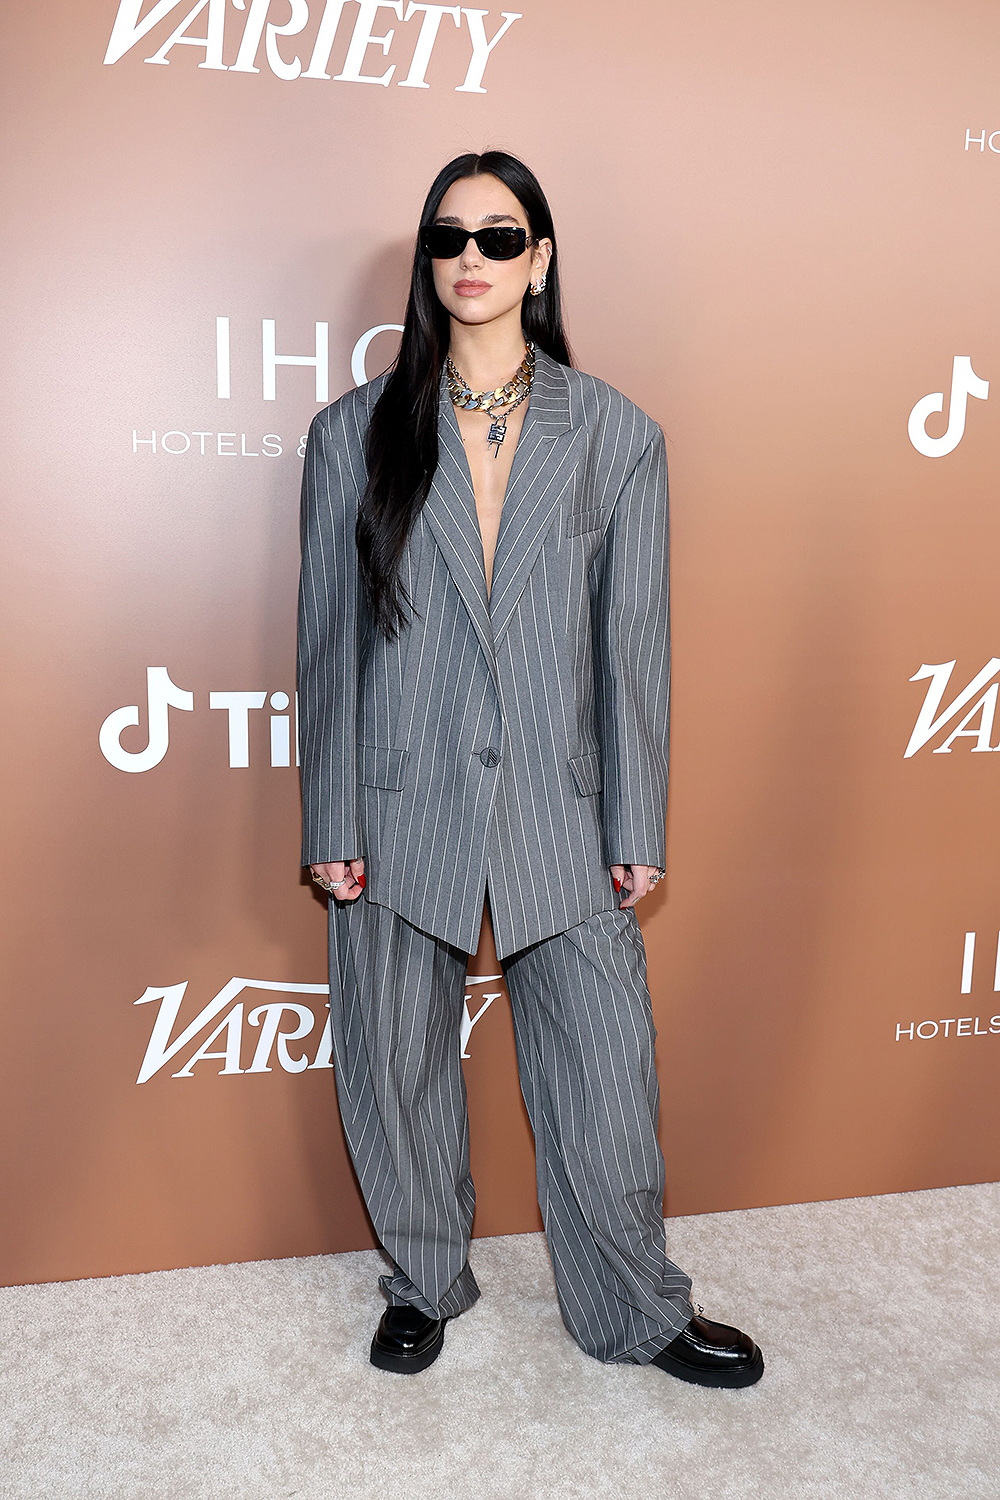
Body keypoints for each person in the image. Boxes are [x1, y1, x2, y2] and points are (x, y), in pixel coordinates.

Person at [296, 149, 764, 1389]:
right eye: (450, 238)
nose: (472, 260)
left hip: (561, 798)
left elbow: (634, 647)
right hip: (399, 798)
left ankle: (634, 1308)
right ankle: (424, 1279)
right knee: (392, 1064)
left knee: (607, 1074)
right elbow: (329, 645)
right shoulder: (353, 432)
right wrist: (333, 812)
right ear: (428, 259)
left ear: (541, 260)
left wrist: (637, 815)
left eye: (501, 239)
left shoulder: (617, 433)